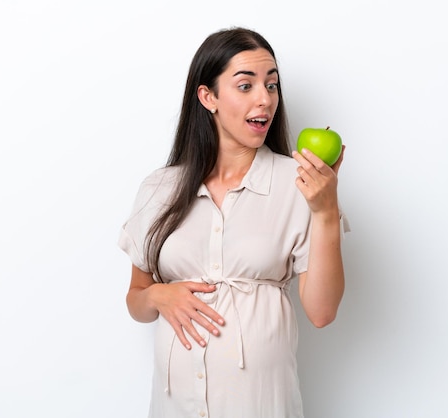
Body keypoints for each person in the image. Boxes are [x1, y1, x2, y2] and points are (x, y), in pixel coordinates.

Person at [118, 26, 349, 418]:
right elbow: (136, 299)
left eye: (272, 85)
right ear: (208, 97)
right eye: (246, 86)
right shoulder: (160, 188)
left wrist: (325, 211)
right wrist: (159, 295)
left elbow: (322, 312)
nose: (265, 99)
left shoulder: (298, 184)